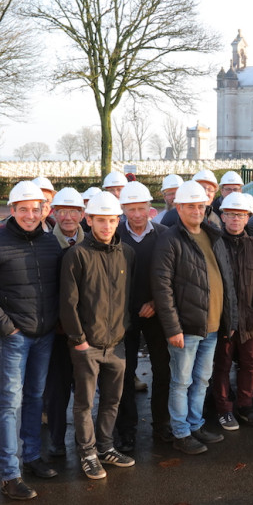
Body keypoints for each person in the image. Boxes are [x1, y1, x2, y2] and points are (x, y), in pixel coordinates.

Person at [0, 180, 65, 500]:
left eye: (36, 210)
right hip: (15, 336)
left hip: (44, 334)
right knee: (11, 402)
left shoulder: (51, 244)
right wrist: (5, 327)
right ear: (13, 210)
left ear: (43, 211)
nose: (30, 215)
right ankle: (10, 474)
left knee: (36, 397)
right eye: (23, 209)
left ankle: (33, 456)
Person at [151, 180, 232, 455]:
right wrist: (172, 328)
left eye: (200, 205)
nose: (197, 210)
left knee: (201, 380)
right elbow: (162, 287)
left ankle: (196, 425)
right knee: (181, 381)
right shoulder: (169, 239)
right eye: (190, 206)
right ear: (179, 206)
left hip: (211, 325)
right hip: (186, 327)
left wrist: (227, 320)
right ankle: (181, 432)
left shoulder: (212, 234)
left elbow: (225, 279)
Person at [60, 192, 135, 478]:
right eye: (100, 220)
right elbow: (68, 302)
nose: (106, 226)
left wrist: (122, 330)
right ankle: (88, 452)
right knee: (85, 402)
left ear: (118, 221)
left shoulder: (127, 253)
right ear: (89, 220)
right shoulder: (77, 254)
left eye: (112, 220)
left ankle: (105, 447)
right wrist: (79, 340)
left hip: (116, 344)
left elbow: (128, 296)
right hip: (86, 345)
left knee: (112, 400)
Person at [210, 192, 253, 429]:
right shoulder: (214, 245)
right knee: (222, 365)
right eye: (231, 214)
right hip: (224, 319)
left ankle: (246, 405)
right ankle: (224, 409)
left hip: (252, 319)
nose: (236, 219)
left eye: (240, 215)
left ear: (247, 218)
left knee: (250, 363)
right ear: (223, 217)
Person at [116, 181, 170, 451]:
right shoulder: (113, 235)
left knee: (163, 370)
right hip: (123, 315)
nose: (136, 214)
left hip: (155, 312)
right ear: (123, 208)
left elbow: (173, 276)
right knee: (125, 374)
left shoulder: (164, 234)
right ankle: (126, 430)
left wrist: (156, 303)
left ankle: (162, 424)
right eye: (131, 209)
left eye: (141, 208)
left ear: (150, 208)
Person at [42, 187, 88, 459]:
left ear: (82, 214)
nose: (68, 217)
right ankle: (57, 442)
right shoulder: (45, 244)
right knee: (57, 391)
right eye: (62, 212)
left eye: (73, 211)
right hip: (58, 332)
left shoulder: (93, 242)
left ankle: (86, 442)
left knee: (85, 390)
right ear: (54, 214)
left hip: (87, 330)